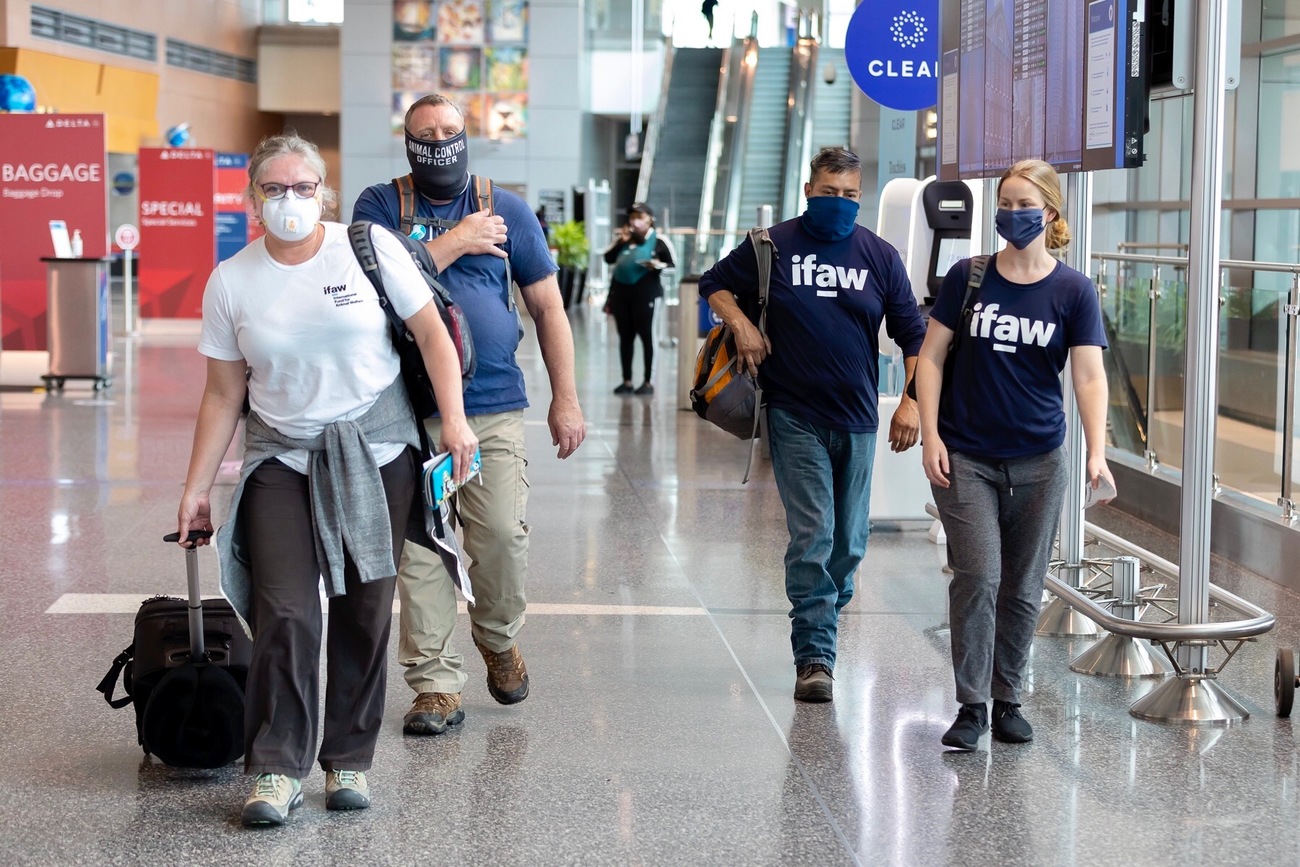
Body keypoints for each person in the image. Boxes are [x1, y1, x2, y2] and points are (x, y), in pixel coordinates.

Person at [176, 134, 478, 826]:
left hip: (376, 450)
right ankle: (276, 766)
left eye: (303, 187)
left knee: (367, 610)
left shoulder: (366, 248)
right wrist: (196, 485)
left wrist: (456, 423)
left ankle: (348, 757)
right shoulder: (233, 280)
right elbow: (224, 393)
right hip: (281, 455)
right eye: (274, 189)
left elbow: (432, 335)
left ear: (325, 193)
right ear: (252, 199)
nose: (290, 201)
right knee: (286, 610)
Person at [352, 93, 587, 736]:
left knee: (502, 538)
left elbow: (547, 310)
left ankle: (497, 634)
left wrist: (564, 398)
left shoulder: (505, 208)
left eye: (449, 130)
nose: (438, 140)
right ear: (406, 143)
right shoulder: (379, 208)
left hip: (492, 407)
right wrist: (457, 241)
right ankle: (434, 685)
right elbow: (377, 282)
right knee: (421, 551)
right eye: (424, 132)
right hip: (404, 412)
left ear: (467, 136)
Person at [698, 147, 926, 703]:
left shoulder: (880, 255)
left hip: (858, 417)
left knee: (849, 543)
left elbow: (913, 335)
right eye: (830, 193)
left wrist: (912, 402)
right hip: (793, 413)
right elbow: (714, 283)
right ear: (809, 191)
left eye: (851, 195)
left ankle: (823, 608)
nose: (841, 204)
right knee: (814, 535)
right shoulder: (773, 245)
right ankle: (815, 654)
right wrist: (743, 326)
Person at [914, 159, 1114, 752]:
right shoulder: (969, 277)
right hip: (965, 454)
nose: (1011, 214)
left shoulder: (1073, 290)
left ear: (1050, 211)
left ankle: (1009, 699)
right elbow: (930, 358)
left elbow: (1088, 376)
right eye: (1004, 202)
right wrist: (930, 435)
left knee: (1023, 587)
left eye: (1024, 203)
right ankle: (971, 705)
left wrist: (1096, 451)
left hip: (1038, 459)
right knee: (978, 575)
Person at [603, 202, 674, 395]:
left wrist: (657, 266)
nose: (635, 221)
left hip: (647, 295)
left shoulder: (659, 240)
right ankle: (626, 381)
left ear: (649, 219)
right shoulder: (624, 239)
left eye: (639, 217)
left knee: (648, 337)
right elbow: (608, 259)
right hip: (622, 296)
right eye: (632, 217)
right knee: (626, 337)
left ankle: (648, 382)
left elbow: (672, 267)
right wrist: (620, 242)